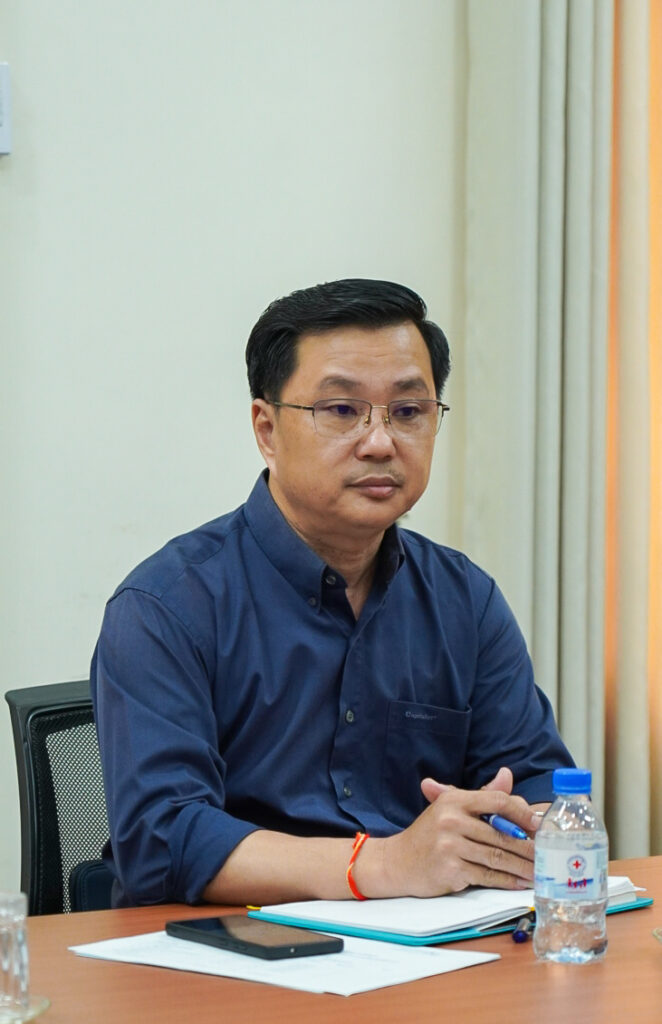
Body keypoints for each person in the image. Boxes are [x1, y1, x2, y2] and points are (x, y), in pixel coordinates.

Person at [91, 278, 574, 908]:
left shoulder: (465, 600)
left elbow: (540, 787)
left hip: (432, 950)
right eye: (342, 411)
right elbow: (163, 838)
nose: (380, 442)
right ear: (267, 429)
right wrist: (383, 864)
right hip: (229, 950)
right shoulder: (167, 606)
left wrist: (531, 829)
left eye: (409, 411)